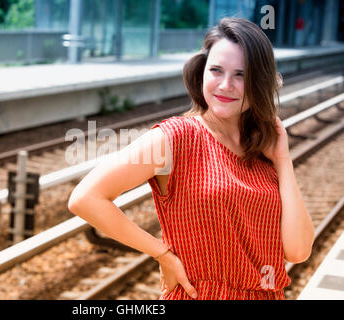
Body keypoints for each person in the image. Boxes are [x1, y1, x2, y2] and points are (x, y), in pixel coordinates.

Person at [68, 17, 315, 300]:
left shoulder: (263, 150)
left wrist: (283, 160)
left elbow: (298, 250)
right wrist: (162, 254)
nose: (225, 85)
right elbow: (86, 197)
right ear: (201, 74)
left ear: (260, 81)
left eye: (241, 75)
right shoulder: (176, 138)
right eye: (216, 70)